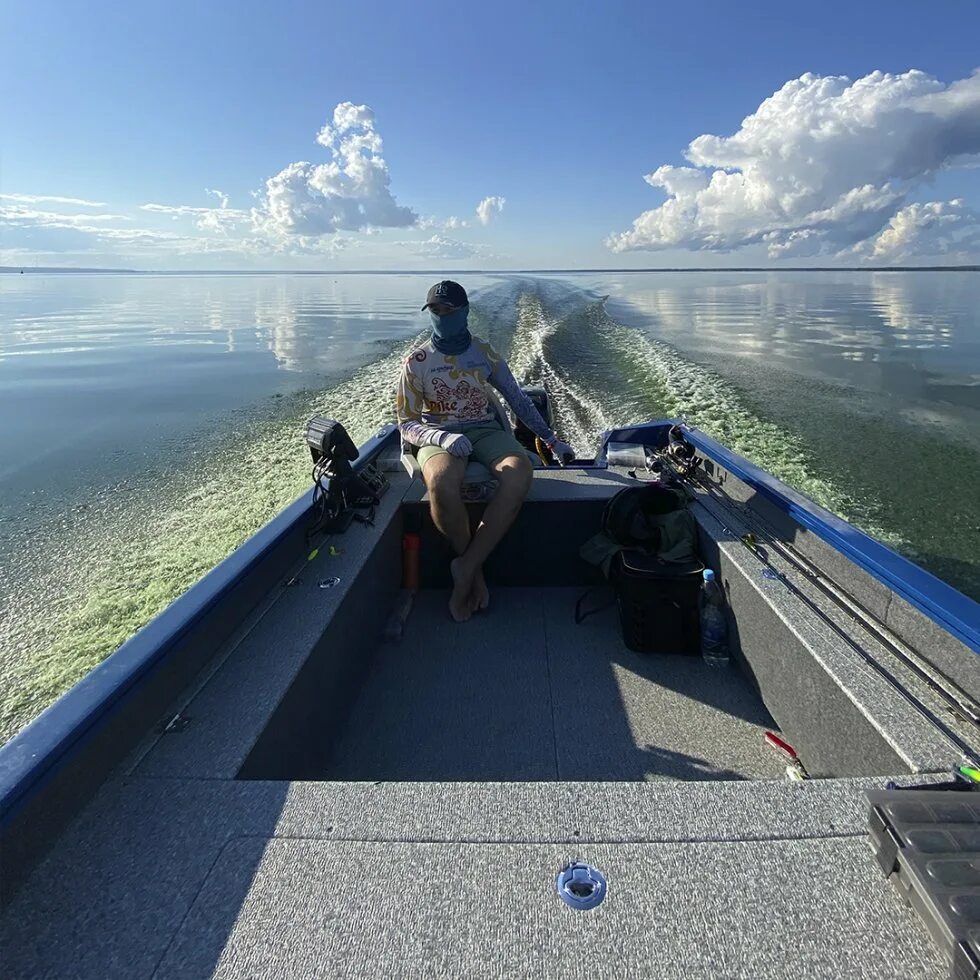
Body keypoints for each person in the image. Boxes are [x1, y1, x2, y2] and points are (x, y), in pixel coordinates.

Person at [396, 280, 574, 622]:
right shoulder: (417, 361)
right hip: (438, 434)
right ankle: (472, 572)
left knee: (520, 471)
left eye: (449, 310)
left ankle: (464, 566)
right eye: (435, 310)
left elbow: (518, 400)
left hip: (484, 429)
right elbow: (406, 423)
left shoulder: (484, 352)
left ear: (465, 312)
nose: (442, 316)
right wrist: (442, 439)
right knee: (442, 482)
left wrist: (552, 441)